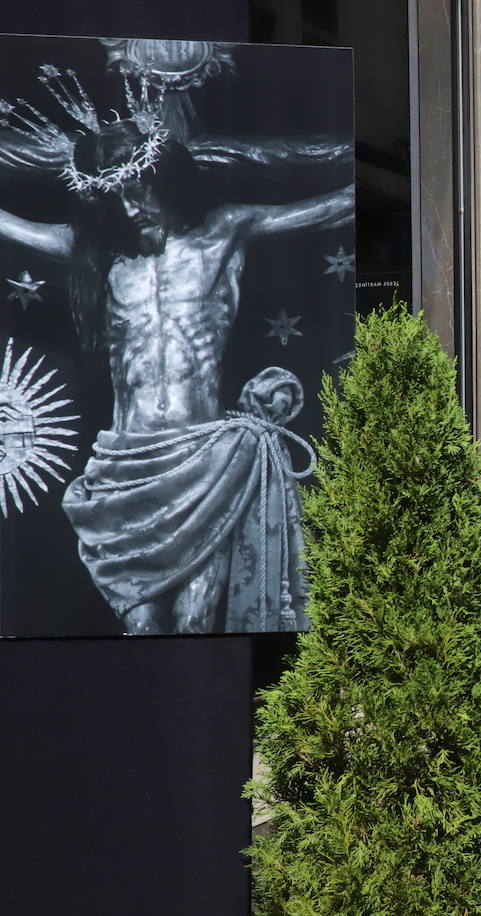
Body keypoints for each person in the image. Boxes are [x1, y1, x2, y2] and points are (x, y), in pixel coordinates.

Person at [0, 116, 352, 634]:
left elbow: (336, 206)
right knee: (141, 629)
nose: (131, 207)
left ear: (165, 179)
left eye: (138, 190)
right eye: (116, 198)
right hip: (127, 465)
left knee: (195, 624)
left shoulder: (224, 233)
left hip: (204, 460)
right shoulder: (98, 256)